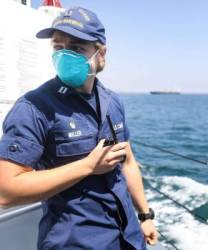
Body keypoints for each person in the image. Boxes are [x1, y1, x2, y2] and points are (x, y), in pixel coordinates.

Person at [0, 6, 157, 250]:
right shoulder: (33, 107)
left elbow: (127, 162)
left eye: (76, 48)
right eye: (58, 47)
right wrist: (87, 166)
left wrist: (145, 216)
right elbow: (6, 191)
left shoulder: (112, 100)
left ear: (100, 54)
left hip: (128, 237)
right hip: (76, 242)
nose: (64, 56)